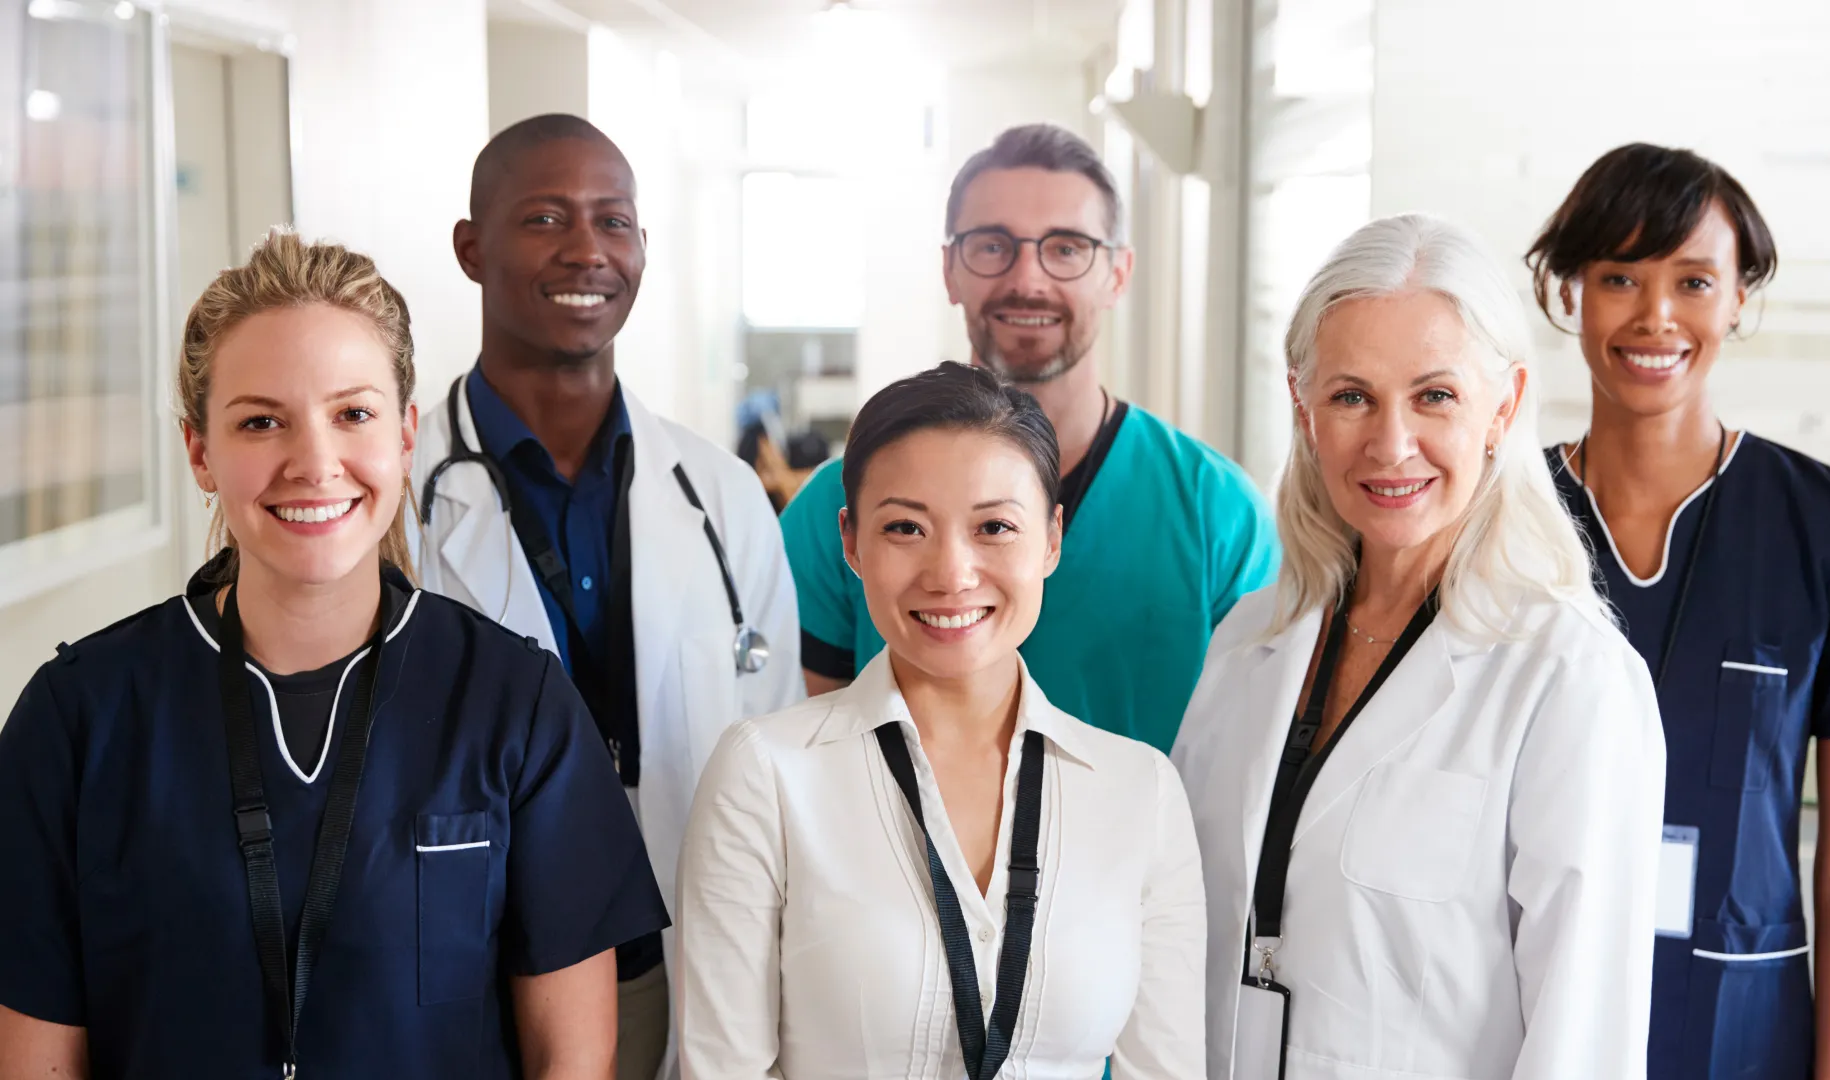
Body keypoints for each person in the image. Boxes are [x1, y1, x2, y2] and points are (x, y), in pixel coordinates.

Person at [0, 232, 665, 1078]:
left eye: (353, 414)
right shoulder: (77, 721)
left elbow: (569, 1061)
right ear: (200, 453)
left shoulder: (518, 707)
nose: (314, 464)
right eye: (260, 422)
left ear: (405, 435)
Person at [1173, 214, 1666, 1079]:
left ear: (1501, 407)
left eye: (1434, 395)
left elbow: (1583, 1036)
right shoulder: (1251, 639)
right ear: (1305, 408)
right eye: (1351, 395)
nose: (1390, 444)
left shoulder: (1568, 678)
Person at [410, 114, 805, 1078]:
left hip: (681, 953)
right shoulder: (396, 498)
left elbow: (777, 749)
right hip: (473, 961)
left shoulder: (721, 494)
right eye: (544, 218)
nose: (587, 249)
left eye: (613, 221)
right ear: (472, 247)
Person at [676, 362, 1206, 1079]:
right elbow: (724, 1068)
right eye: (905, 527)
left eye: (994, 526)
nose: (951, 573)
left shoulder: (1141, 792)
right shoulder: (766, 775)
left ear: (1050, 539)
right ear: (851, 542)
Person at [1529, 144, 1830, 1080]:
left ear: (1740, 298)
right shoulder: (1507, 525)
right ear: (1569, 292)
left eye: (1694, 281)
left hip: (1741, 1028)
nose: (1655, 316)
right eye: (1619, 275)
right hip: (1533, 1011)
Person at [780, 123, 1279, 753]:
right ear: (950, 269)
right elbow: (806, 759)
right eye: (993, 246)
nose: (1028, 279)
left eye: (1066, 248)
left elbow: (1251, 767)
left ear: (1118, 274)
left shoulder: (1218, 514)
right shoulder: (843, 505)